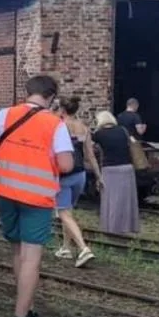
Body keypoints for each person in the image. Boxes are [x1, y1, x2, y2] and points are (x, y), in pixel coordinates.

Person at [0, 74, 74, 317]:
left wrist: (10, 156)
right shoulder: (55, 124)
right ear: (52, 97)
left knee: (18, 251)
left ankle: (27, 307)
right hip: (37, 197)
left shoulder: (4, 115)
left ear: (27, 91)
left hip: (6, 193)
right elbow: (66, 165)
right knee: (32, 257)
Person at [53, 97, 97, 268]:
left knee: (64, 213)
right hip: (80, 174)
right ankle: (65, 248)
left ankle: (83, 248)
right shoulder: (83, 128)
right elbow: (90, 155)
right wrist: (99, 177)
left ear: (62, 110)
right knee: (69, 212)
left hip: (63, 175)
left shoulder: (58, 126)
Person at [92, 112, 140, 236]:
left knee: (111, 200)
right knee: (127, 199)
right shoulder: (123, 130)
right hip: (127, 167)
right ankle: (128, 227)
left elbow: (90, 148)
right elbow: (133, 142)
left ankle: (112, 228)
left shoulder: (98, 134)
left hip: (110, 169)